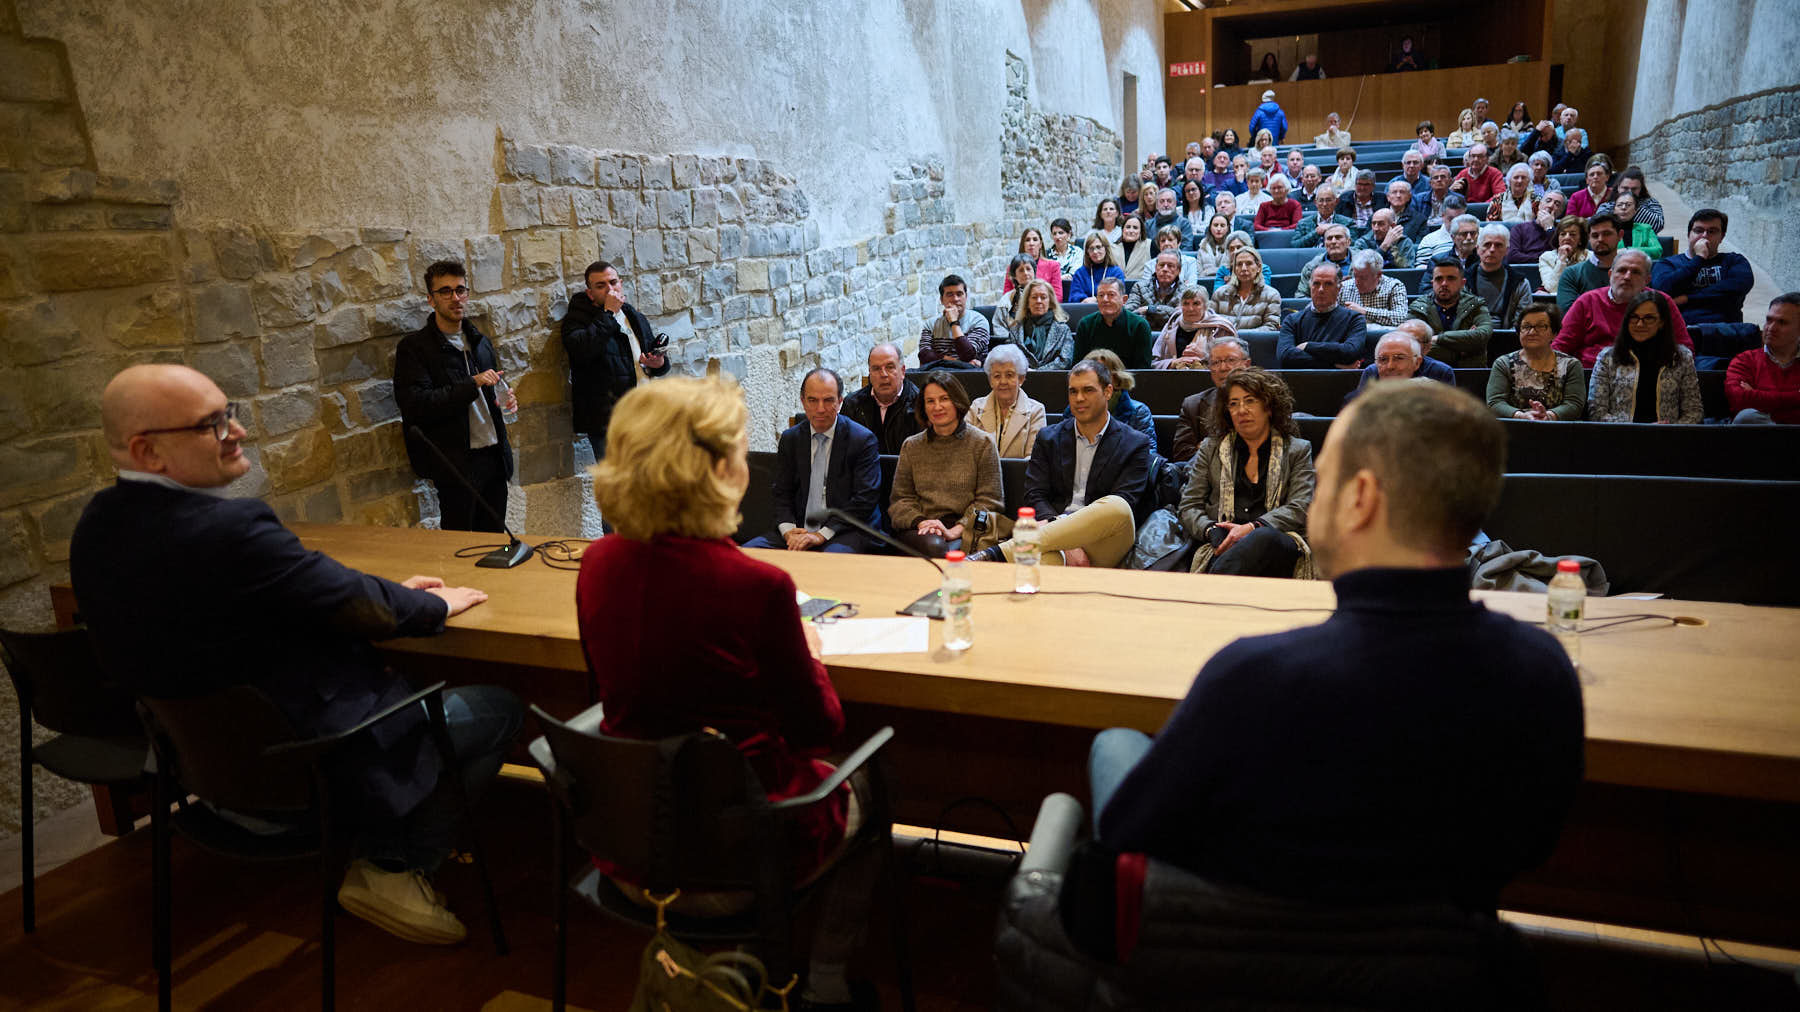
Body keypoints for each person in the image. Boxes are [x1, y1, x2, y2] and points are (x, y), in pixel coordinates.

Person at [1092, 380, 1583, 917]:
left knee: (1114, 744)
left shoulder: (1251, 675)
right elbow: (1531, 847)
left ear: (1361, 499)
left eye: (1325, 477)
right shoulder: (1543, 672)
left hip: (1251, 961)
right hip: (1451, 961)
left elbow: (1132, 829)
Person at [73, 363, 521, 946]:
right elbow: (338, 596)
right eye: (212, 424)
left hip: (207, 775)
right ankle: (392, 866)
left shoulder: (97, 526)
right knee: (500, 706)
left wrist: (378, 596)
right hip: (305, 767)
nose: (236, 432)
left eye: (228, 412)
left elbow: (291, 594)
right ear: (148, 451)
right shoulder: (231, 530)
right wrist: (433, 606)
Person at [578, 376, 878, 1008]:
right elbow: (818, 729)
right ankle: (824, 979)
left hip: (631, 843)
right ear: (716, 468)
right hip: (743, 855)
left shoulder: (597, 564)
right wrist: (812, 653)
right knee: (871, 772)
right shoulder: (756, 586)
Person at [966, 359, 1152, 569]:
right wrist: (1065, 541)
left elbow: (1126, 502)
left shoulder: (1135, 443)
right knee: (1047, 560)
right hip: (1051, 537)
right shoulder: (1049, 437)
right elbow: (1035, 494)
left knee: (1117, 506)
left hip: (1105, 538)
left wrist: (1065, 534)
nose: (1079, 398)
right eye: (1073, 391)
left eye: (1088, 390)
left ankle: (995, 554)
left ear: (1108, 392)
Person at [394, 260, 517, 533]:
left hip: (493, 456)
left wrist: (504, 397)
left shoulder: (479, 342)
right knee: (460, 545)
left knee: (498, 540)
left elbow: (489, 394)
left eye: (460, 290)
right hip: (456, 462)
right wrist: (471, 384)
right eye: (445, 291)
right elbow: (415, 405)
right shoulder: (415, 348)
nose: (455, 297)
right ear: (431, 299)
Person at [1176, 367, 1315, 578]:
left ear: (1269, 407)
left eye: (1250, 401)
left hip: (1278, 542)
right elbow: (1189, 506)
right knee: (1233, 551)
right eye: (1234, 404)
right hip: (1222, 544)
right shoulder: (1211, 448)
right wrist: (1211, 530)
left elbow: (1300, 507)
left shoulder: (1297, 449)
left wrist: (1252, 527)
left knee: (1263, 537)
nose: (1241, 410)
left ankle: (1206, 591)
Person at [746, 369, 882, 552]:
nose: (820, 409)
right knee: (749, 553)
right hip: (799, 530)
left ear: (840, 401)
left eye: (828, 400)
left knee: (826, 562)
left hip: (846, 531)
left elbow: (864, 501)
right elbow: (781, 493)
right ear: (803, 402)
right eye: (812, 400)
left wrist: (821, 535)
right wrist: (788, 531)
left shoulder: (862, 440)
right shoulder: (791, 439)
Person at [887, 371, 1005, 558]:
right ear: (923, 407)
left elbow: (989, 502)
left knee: (939, 548)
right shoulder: (912, 445)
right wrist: (922, 523)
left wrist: (955, 530)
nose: (937, 407)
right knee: (932, 545)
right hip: (919, 529)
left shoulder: (982, 443)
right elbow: (900, 500)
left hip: (965, 528)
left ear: (957, 402)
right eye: (930, 401)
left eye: (944, 399)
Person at [562, 259, 671, 459]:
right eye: (600, 286)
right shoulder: (577, 320)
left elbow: (651, 359)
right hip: (608, 421)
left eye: (613, 282)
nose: (609, 289)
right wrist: (608, 313)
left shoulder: (633, 315)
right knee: (618, 487)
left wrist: (659, 364)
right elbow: (583, 350)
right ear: (590, 293)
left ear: (620, 283)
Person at [1555, 249, 1693, 368]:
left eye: (1636, 272)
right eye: (1621, 270)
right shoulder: (1588, 301)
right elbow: (1560, 347)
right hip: (1591, 374)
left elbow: (1685, 349)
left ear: (1647, 279)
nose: (1627, 277)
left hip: (1648, 374)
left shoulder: (1662, 302)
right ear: (1610, 275)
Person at [1587, 291, 1703, 424]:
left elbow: (1694, 411)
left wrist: (1671, 429)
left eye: (1648, 318)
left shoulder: (1681, 357)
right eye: (1634, 317)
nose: (1640, 324)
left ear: (1661, 322)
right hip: (1620, 437)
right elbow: (1596, 412)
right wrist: (1639, 429)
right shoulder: (1607, 357)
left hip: (1667, 438)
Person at [1653, 210, 1753, 326]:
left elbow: (1736, 289)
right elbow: (1663, 291)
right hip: (1683, 329)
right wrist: (1699, 258)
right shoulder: (1667, 264)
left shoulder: (1734, 261)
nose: (1705, 236)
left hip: (1726, 331)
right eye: (1698, 231)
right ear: (1689, 234)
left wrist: (1687, 298)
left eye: (1712, 231)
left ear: (1722, 237)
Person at [1487, 303, 1584, 421]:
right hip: (1514, 429)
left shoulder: (1571, 365)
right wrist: (1521, 416)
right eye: (1526, 327)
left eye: (1541, 326)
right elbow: (1494, 402)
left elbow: (1574, 404)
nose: (1532, 332)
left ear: (1554, 333)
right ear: (1518, 332)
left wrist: (1548, 416)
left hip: (1559, 430)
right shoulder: (1504, 363)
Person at [1171, 337, 1252, 460]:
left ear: (1247, 365)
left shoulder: (1264, 401)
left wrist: (1206, 447)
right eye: (1215, 363)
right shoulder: (1193, 405)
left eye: (1231, 360)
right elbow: (1182, 455)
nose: (1223, 368)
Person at [1726, 293, 1800, 424]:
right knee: (1748, 417)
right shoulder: (1745, 360)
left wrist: (1757, 395)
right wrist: (1795, 398)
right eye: (1769, 320)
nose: (1771, 328)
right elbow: (1739, 400)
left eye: (1782, 322)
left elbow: (1749, 400)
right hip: (1758, 440)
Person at [1280, 264, 1371, 369]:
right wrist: (1335, 365)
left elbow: (1351, 352)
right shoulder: (1292, 320)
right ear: (1310, 286)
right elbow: (1285, 357)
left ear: (1339, 288)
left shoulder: (1355, 319)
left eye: (1328, 284)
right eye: (1316, 284)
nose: (1321, 289)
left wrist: (1308, 346)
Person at [1408, 255, 1493, 367]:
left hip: (1470, 374)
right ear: (1432, 282)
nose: (1444, 284)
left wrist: (1437, 338)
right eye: (1439, 279)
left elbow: (1483, 335)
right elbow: (1409, 343)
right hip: (1429, 374)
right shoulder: (1419, 307)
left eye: (1451, 278)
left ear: (1462, 283)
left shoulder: (1476, 305)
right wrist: (1465, 349)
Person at [1344, 324, 1458, 404]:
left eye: (1399, 358)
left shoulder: (1440, 372)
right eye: (1383, 359)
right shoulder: (1372, 371)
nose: (1390, 366)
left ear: (1417, 362)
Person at [967, 343, 1048, 455]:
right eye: (997, 376)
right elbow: (966, 452)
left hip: (1021, 472)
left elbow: (1034, 459)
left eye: (1009, 375)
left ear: (1021, 379)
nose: (1003, 382)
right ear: (990, 381)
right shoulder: (976, 408)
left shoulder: (1036, 411)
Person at [841, 343, 921, 454]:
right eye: (876, 368)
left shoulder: (919, 405)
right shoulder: (852, 404)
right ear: (870, 373)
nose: (883, 374)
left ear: (902, 371)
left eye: (890, 367)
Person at [1085, 348, 1158, 454]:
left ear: (1116, 378)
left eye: (1100, 376)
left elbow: (1148, 454)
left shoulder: (1138, 411)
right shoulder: (1075, 410)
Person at [1073, 278, 1154, 369]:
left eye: (1111, 295)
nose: (1105, 299)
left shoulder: (1139, 325)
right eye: (1101, 295)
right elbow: (1078, 366)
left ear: (1124, 300)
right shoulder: (1085, 324)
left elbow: (1142, 369)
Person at [995, 278, 1074, 370]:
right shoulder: (1015, 330)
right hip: (1023, 379)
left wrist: (1037, 372)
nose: (1039, 301)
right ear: (1027, 302)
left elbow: (1065, 360)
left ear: (1050, 302)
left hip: (1053, 379)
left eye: (1043, 297)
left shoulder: (1063, 330)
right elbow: (1011, 359)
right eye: (1034, 297)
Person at [1153, 287, 1237, 369]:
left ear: (1205, 306)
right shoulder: (1172, 324)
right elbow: (1153, 363)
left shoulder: (1221, 327)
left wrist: (1205, 356)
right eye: (1186, 303)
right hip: (1172, 379)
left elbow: (1232, 363)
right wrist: (1173, 363)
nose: (1190, 309)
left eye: (1196, 303)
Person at [1556, 212, 1624, 312]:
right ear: (1589, 238)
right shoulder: (1571, 274)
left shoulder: (1631, 272)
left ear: (1620, 235)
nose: (1600, 239)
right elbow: (1569, 314)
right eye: (1595, 235)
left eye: (1606, 234)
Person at [919, 273, 989, 369]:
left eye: (959, 294)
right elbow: (924, 355)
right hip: (939, 374)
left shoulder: (979, 321)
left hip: (970, 376)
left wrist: (954, 322)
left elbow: (968, 355)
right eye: (950, 295)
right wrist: (955, 362)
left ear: (966, 296)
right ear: (941, 300)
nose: (955, 299)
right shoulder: (930, 324)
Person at [1469, 224, 1531, 328]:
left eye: (1498, 245)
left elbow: (1522, 322)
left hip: (1508, 339)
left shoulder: (1520, 283)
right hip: (1469, 338)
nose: (1492, 249)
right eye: (1487, 244)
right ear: (1478, 248)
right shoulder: (1463, 280)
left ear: (1507, 250)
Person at [1212, 246, 1283, 332]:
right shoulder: (1221, 293)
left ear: (1259, 267)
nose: (1244, 268)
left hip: (1255, 343)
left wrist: (1237, 335)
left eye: (1249, 263)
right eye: (1239, 264)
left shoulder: (1271, 295)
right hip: (1223, 343)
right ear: (1234, 269)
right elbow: (1210, 323)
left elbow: (1271, 327)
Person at [1339, 248, 1410, 327]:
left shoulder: (1394, 286)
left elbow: (1401, 318)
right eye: (1355, 276)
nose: (1356, 282)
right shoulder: (1344, 287)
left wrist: (1365, 311)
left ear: (1378, 275)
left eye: (1363, 278)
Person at [1126, 251, 1185, 331]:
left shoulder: (1186, 292)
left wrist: (1149, 309)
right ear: (1156, 268)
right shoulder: (1139, 287)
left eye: (1170, 266)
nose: (1165, 269)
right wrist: (1169, 313)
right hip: (1142, 334)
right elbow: (1129, 314)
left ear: (1179, 270)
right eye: (1161, 265)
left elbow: (1183, 317)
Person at [1506, 189, 1568, 266]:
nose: (1551, 205)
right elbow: (1512, 256)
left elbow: (1562, 255)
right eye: (1548, 201)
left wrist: (1549, 228)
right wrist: (1544, 259)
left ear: (1561, 212)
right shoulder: (1519, 228)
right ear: (1540, 204)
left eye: (1557, 204)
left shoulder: (1563, 231)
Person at [1594, 168, 1666, 232]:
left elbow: (1658, 225)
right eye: (1625, 188)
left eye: (1634, 189)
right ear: (1618, 188)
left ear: (1641, 189)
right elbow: (1599, 225)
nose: (1629, 192)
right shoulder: (1607, 206)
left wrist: (1635, 207)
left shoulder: (1651, 203)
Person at [1068, 231, 1126, 303]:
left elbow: (1118, 296)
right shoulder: (1080, 273)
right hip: (1085, 310)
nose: (1095, 251)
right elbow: (1074, 296)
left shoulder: (1116, 272)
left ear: (1106, 248)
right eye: (1091, 249)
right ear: (1087, 253)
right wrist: (1084, 300)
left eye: (1098, 247)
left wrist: (1096, 299)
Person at [1009, 227, 1066, 299]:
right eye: (1027, 240)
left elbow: (1057, 297)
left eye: (1035, 240)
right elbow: (1007, 298)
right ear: (1023, 244)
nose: (1031, 243)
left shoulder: (1053, 266)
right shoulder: (1012, 267)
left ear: (1040, 244)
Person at [1137, 224, 1199, 289]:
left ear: (1179, 243)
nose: (1166, 243)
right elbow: (1146, 289)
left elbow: (1191, 288)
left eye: (1170, 240)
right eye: (1163, 241)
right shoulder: (1149, 265)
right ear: (1159, 244)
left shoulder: (1190, 262)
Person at [1537, 214, 1587, 294]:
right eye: (1563, 234)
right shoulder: (1546, 258)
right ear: (1558, 238)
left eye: (1572, 234)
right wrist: (1561, 261)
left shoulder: (1590, 257)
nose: (1567, 237)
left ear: (1580, 239)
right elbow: (1552, 288)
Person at [1611, 191, 1664, 262]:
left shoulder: (1645, 229)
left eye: (1628, 205)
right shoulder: (1608, 230)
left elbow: (1657, 251)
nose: (1623, 208)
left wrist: (1628, 250)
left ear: (1636, 210)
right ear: (1614, 210)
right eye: (1619, 205)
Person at [1382, 178, 1426, 242]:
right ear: (1388, 197)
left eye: (1402, 192)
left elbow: (1420, 245)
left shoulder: (1420, 219)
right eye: (1394, 192)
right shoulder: (1376, 217)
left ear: (1409, 197)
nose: (1398, 195)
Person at [1192, 212, 1234, 278]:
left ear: (1228, 228)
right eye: (1215, 225)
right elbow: (1198, 273)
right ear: (1210, 227)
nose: (1219, 229)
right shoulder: (1203, 246)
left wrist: (1209, 272)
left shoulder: (1233, 246)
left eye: (1222, 225)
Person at [1114, 214, 1152, 281]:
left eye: (1135, 228)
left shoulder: (1149, 245)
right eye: (1128, 227)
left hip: (1141, 289)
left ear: (1141, 231)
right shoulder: (1112, 248)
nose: (1131, 231)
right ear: (1123, 229)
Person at [1048, 218, 1082, 286]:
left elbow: (1074, 275)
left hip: (1073, 287)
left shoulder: (1077, 252)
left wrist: (1056, 279)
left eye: (1061, 233)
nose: (1057, 237)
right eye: (1054, 233)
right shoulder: (1047, 255)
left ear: (1069, 234)